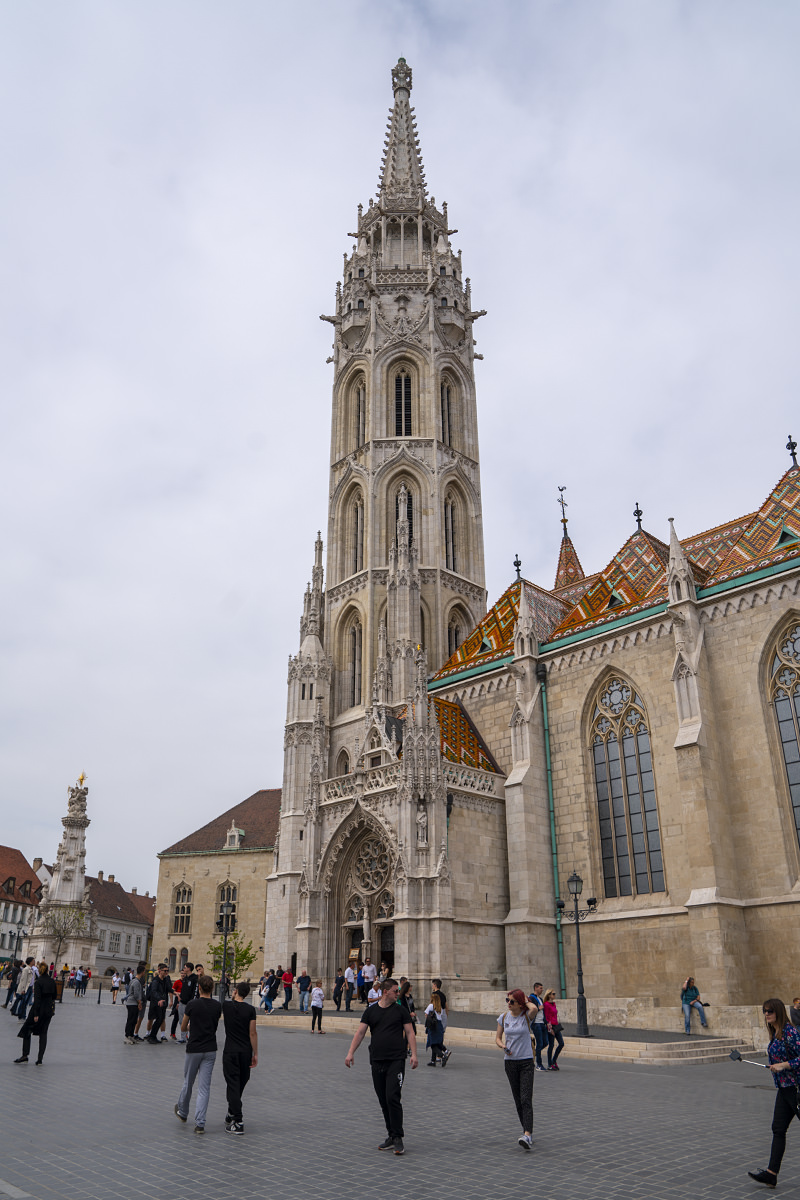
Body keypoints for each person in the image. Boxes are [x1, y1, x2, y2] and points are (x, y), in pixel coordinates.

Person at [345, 977, 418, 1156]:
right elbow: (361, 1032)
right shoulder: (371, 1012)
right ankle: (391, 1135)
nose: (397, 993)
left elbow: (410, 1032)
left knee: (393, 1097)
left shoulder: (401, 1010)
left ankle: (398, 1136)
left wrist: (414, 1054)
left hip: (396, 1060)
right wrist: (350, 1052)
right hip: (377, 1060)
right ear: (385, 992)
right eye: (395, 990)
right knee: (383, 1100)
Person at [747, 998, 800, 1188]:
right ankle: (771, 1174)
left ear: (778, 1011)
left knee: (779, 1130)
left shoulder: (789, 1032)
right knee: (778, 1130)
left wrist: (783, 1065)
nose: (766, 1014)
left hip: (796, 1088)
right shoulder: (775, 1032)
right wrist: (775, 1066)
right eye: (764, 1011)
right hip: (784, 1090)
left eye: (769, 1010)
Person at [175, 974, 222, 1135]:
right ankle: (200, 1123)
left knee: (188, 1082)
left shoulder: (192, 1004)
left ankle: (183, 1111)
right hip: (210, 1049)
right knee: (204, 1087)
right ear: (212, 988)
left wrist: (191, 1028)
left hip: (194, 1048)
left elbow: (183, 1027)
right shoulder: (217, 1006)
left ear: (199, 988)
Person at [497, 988, 537, 1151]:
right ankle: (526, 1130)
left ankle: (527, 1134)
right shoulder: (504, 1017)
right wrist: (503, 1046)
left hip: (526, 1061)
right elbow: (498, 1038)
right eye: (507, 1000)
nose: (509, 1004)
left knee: (526, 1098)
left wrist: (525, 999)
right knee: (518, 1099)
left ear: (519, 1003)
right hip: (510, 1062)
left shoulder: (526, 1016)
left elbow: (534, 1008)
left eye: (512, 1001)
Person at [222, 982, 258, 1135]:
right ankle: (232, 1112)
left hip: (230, 1052)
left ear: (235, 991)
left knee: (232, 1085)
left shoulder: (226, 1006)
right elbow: (252, 1033)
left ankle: (238, 1120)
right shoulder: (250, 1010)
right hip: (245, 1052)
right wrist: (255, 1053)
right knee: (240, 1083)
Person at [15, 963, 57, 1065]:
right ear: (47, 970)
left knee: (27, 1030)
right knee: (43, 1033)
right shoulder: (52, 981)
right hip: (48, 1011)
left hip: (38, 1010)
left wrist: (36, 1014)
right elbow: (55, 996)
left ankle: (25, 1055)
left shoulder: (38, 982)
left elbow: (37, 999)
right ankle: (40, 1059)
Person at [146, 963, 172, 1042]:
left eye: (167, 971)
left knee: (160, 1019)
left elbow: (168, 988)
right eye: (165, 971)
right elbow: (154, 992)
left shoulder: (165, 980)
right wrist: (159, 999)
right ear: (160, 971)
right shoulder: (156, 981)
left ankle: (153, 1036)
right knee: (157, 1019)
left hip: (162, 1003)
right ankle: (151, 1036)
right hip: (156, 1003)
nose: (166, 972)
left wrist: (175, 993)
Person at [124, 961, 147, 1045]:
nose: (145, 973)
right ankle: (127, 1036)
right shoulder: (137, 982)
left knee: (133, 1020)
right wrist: (140, 1003)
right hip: (132, 1003)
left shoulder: (133, 980)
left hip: (131, 1003)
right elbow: (137, 994)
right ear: (142, 972)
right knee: (131, 1020)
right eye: (144, 971)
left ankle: (131, 1036)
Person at [543, 988, 564, 1070]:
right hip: (551, 1027)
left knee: (561, 1043)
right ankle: (549, 1064)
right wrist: (550, 1029)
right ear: (549, 995)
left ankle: (553, 1060)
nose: (555, 995)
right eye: (553, 994)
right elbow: (547, 1018)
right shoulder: (546, 1005)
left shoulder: (553, 1004)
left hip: (556, 1026)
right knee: (551, 1045)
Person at [431, 978, 451, 1066]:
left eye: (432, 985)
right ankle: (437, 1057)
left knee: (435, 1037)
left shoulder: (434, 995)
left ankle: (442, 1053)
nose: (432, 986)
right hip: (443, 1015)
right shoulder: (443, 994)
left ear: (435, 985)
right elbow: (447, 1007)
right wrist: (446, 1016)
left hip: (436, 1016)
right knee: (441, 1035)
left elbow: (432, 1007)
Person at [528, 982, 547, 1071]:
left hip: (542, 1023)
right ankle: (539, 1064)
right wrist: (538, 1009)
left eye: (542, 988)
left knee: (545, 1042)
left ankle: (534, 1051)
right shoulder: (532, 998)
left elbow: (543, 1012)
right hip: (536, 1023)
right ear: (535, 988)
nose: (542, 990)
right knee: (540, 1044)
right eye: (540, 988)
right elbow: (530, 1009)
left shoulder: (540, 999)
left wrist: (546, 1022)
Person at [424, 992, 446, 1066]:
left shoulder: (431, 1006)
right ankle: (433, 1060)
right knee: (436, 1042)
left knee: (433, 1044)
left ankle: (442, 1055)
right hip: (439, 1025)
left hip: (433, 1025)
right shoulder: (440, 1007)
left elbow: (426, 1014)